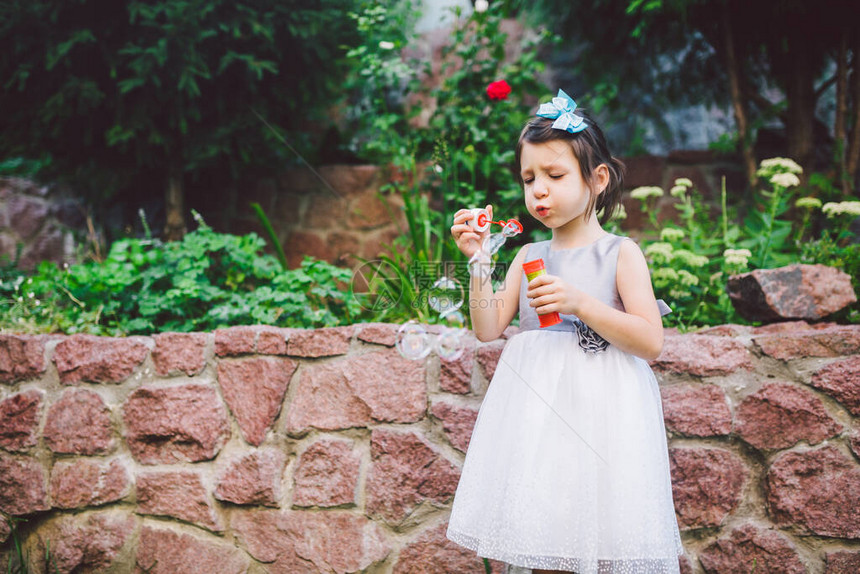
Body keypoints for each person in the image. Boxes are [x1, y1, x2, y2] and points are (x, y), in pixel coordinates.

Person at [446, 89, 683, 574]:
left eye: (554, 176)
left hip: (606, 417)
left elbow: (650, 341)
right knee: (544, 538)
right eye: (529, 178)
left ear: (596, 180)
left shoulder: (621, 253)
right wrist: (479, 262)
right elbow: (489, 327)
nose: (538, 191)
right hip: (538, 417)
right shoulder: (529, 257)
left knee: (602, 536)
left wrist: (581, 303)